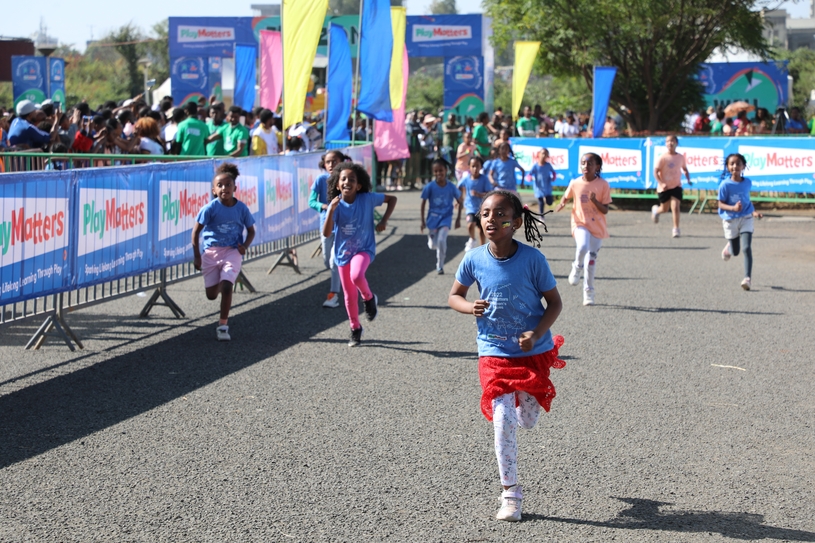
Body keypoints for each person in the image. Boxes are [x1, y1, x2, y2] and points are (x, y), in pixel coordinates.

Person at [447, 189, 565, 523]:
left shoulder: (532, 260)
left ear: (515, 222)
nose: (491, 220)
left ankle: (526, 400)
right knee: (503, 420)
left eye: (500, 214)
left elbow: (555, 303)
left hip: (531, 352)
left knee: (526, 419)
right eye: (485, 213)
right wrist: (471, 307)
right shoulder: (474, 258)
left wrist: (537, 333)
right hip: (494, 350)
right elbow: (454, 296)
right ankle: (510, 494)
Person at [322, 162, 397, 347]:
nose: (347, 182)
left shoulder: (368, 199)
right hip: (342, 254)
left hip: (364, 249)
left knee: (356, 275)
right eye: (343, 179)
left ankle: (369, 298)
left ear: (359, 185)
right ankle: (355, 328)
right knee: (348, 295)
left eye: (352, 179)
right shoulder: (336, 205)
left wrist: (384, 220)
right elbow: (326, 233)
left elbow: (392, 199)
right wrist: (330, 210)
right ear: (338, 185)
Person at [192, 163, 256, 341]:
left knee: (228, 286)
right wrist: (197, 256)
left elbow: (251, 231)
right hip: (211, 253)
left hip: (232, 251)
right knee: (211, 295)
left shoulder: (241, 208)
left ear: (235, 188)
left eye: (228, 185)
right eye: (219, 185)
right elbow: (196, 232)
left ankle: (223, 325)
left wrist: (245, 245)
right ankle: (221, 281)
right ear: (214, 190)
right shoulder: (210, 208)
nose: (224, 188)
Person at [556, 153, 611, 306]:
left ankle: (589, 292)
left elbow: (605, 210)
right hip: (579, 222)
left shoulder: (603, 185)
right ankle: (576, 266)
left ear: (597, 167)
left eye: (590, 163)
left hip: (597, 226)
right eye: (583, 163)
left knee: (591, 261)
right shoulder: (575, 183)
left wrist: (594, 200)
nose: (586, 166)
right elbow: (566, 196)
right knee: (582, 246)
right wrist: (562, 203)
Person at [309, 150, 349, 308]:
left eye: (335, 161)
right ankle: (344, 279)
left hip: (342, 226)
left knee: (334, 262)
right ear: (324, 164)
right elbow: (311, 201)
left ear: (341, 161)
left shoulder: (346, 179)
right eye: (328, 162)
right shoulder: (320, 179)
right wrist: (323, 206)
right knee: (327, 261)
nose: (331, 164)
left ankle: (333, 295)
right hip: (326, 226)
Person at [718, 153, 763, 291]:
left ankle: (747, 278)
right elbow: (720, 204)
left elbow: (746, 200)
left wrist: (754, 212)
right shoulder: (725, 185)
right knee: (736, 252)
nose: (735, 166)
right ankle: (730, 247)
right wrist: (733, 208)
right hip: (730, 219)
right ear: (727, 167)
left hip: (746, 218)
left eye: (738, 164)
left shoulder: (747, 182)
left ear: (743, 166)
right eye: (732, 164)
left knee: (746, 248)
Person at [421, 158, 463, 274]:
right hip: (432, 219)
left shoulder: (451, 187)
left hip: (446, 218)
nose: (439, 173)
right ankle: (431, 239)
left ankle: (440, 265)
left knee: (441, 240)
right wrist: (422, 221)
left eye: (441, 170)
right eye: (436, 171)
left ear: (446, 170)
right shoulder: (430, 187)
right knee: (432, 245)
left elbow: (460, 200)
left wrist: (458, 218)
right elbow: (423, 202)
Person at [651, 135, 692, 237]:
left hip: (676, 186)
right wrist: (661, 183)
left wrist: (688, 179)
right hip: (664, 188)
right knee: (664, 209)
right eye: (668, 141)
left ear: (676, 143)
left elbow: (685, 169)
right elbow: (655, 171)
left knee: (675, 207)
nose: (670, 143)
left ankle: (676, 229)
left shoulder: (680, 157)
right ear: (665, 144)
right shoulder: (663, 158)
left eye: (672, 141)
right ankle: (656, 210)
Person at [458, 155, 491, 251]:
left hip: (482, 209)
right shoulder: (466, 179)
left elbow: (489, 193)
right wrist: (459, 198)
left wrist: (478, 194)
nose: (475, 169)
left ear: (481, 167)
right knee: (470, 224)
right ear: (469, 167)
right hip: (470, 208)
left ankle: (482, 247)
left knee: (481, 230)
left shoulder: (484, 179)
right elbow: (458, 187)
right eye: (473, 166)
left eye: (478, 166)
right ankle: (472, 239)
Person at [530, 148, 556, 214]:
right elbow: (529, 174)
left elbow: (553, 172)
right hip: (538, 187)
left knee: (550, 203)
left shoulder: (548, 165)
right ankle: (541, 216)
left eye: (545, 154)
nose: (544, 155)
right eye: (542, 153)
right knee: (541, 202)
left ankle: (547, 198)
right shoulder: (535, 166)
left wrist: (553, 177)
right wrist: (529, 177)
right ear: (539, 154)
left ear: (547, 156)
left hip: (547, 186)